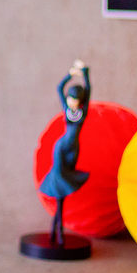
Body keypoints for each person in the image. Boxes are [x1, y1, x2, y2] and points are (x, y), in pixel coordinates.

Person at [39, 61, 91, 244]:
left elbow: (89, 88)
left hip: (73, 151)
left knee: (64, 188)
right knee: (60, 188)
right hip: (61, 149)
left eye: (75, 99)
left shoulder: (83, 112)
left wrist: (85, 73)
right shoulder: (66, 110)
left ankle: (56, 229)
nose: (71, 102)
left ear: (80, 101)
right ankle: (58, 231)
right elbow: (59, 88)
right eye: (70, 99)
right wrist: (70, 74)